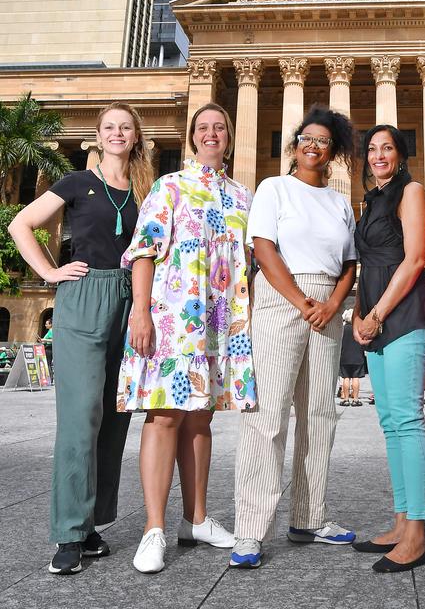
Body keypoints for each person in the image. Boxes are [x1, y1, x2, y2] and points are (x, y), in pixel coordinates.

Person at [9, 102, 153, 576]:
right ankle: (68, 534)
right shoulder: (76, 182)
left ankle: (91, 524)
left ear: (136, 136)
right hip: (84, 295)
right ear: (98, 135)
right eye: (109, 127)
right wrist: (49, 270)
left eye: (125, 127)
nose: (117, 133)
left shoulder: (145, 190)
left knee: (114, 419)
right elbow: (20, 224)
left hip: (130, 301)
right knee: (79, 416)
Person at [119, 102, 255, 574]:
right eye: (204, 128)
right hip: (173, 317)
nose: (212, 134)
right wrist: (140, 311)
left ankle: (195, 519)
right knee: (164, 417)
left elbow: (250, 263)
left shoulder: (242, 196)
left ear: (229, 137)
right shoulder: (169, 186)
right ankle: (153, 528)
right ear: (193, 137)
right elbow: (144, 251)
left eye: (220, 127)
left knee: (201, 420)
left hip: (219, 322)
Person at [231, 105, 357, 569]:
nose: (313, 145)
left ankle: (309, 516)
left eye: (323, 140)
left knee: (320, 413)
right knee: (268, 414)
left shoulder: (340, 201)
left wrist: (332, 303)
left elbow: (349, 263)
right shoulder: (274, 188)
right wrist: (302, 301)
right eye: (306, 137)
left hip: (327, 302)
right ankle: (250, 529)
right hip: (282, 295)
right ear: (295, 143)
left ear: (333, 151)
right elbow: (262, 247)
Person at [351, 124, 425, 574]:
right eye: (373, 149)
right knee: (390, 423)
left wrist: (378, 313)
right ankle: (402, 522)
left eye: (387, 148)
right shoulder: (372, 199)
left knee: (407, 419)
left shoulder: (412, 190)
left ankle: (418, 535)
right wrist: (360, 317)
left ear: (401, 155)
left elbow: (416, 258)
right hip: (374, 317)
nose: (379, 155)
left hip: (401, 314)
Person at [339, 308, 365, 406]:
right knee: (355, 378)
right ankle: (355, 399)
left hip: (344, 357)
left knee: (345, 378)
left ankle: (345, 399)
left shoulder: (343, 329)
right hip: (357, 357)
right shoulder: (358, 329)